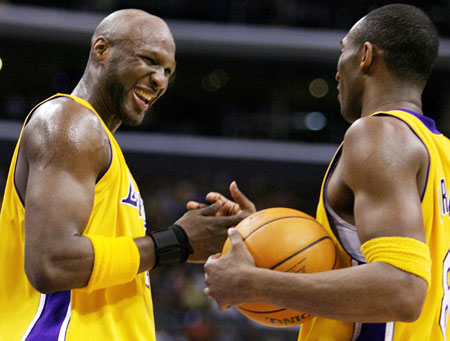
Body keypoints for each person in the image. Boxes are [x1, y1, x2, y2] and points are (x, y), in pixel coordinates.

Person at [198, 4, 450, 340]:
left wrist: (249, 282)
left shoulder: (378, 135)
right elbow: (360, 261)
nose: (336, 70)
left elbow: (402, 289)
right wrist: (261, 237)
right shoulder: (441, 150)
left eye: (342, 50)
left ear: (365, 56)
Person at [0, 9, 248, 341]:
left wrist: (195, 241)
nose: (160, 80)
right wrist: (174, 243)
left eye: (167, 71)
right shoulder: (70, 122)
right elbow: (52, 263)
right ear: (102, 50)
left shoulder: (99, 144)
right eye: (149, 60)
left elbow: (113, 263)